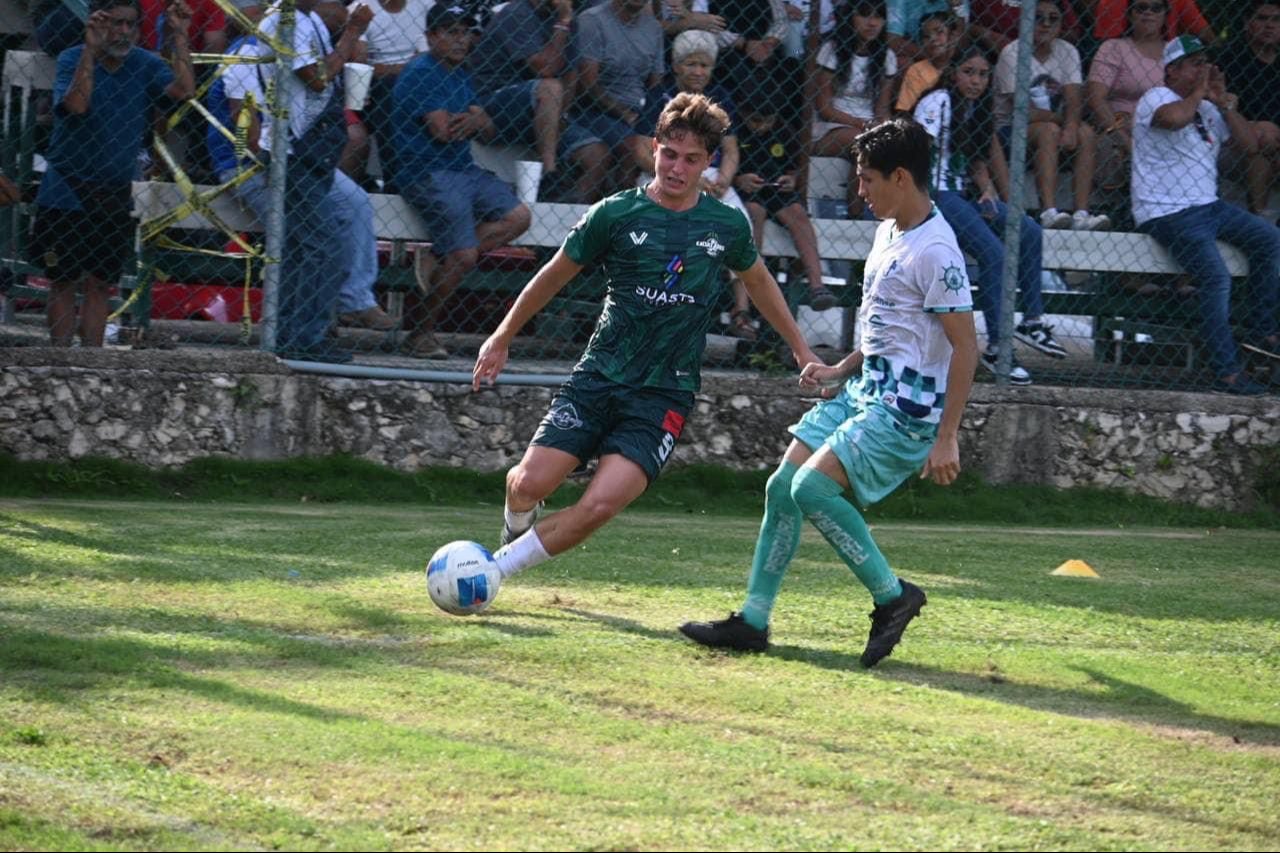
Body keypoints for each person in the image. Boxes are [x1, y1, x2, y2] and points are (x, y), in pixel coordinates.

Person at [471, 92, 820, 583]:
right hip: (598, 377)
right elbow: (553, 275)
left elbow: (759, 282)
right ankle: (515, 531)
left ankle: (493, 572)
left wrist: (800, 348)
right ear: (654, 148)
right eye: (669, 154)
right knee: (527, 484)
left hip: (663, 393)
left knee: (600, 505)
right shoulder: (615, 214)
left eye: (692, 159)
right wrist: (502, 335)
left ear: (708, 162)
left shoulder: (726, 224)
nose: (677, 168)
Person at [679, 118, 978, 669]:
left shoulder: (938, 252)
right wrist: (843, 367)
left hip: (903, 409)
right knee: (782, 487)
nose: (858, 191)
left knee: (812, 490)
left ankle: (894, 597)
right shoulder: (892, 228)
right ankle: (753, 619)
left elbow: (966, 348)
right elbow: (894, 328)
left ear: (902, 177)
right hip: (864, 390)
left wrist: (948, 435)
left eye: (867, 180)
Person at [32, 0, 195, 347]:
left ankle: (92, 358)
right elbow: (76, 105)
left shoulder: (144, 63)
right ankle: (60, 357)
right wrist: (90, 51)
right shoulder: (72, 58)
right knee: (63, 279)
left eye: (130, 25)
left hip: (115, 186)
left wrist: (179, 36)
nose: (123, 33)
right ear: (97, 24)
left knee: (100, 282)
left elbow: (184, 91)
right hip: (67, 185)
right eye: (115, 24)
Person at [1131, 36, 1279, 395]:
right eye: (1194, 64)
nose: (1204, 70)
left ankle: (1264, 332)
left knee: (1270, 240)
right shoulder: (1158, 98)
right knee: (1216, 278)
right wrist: (1198, 94)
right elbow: (1171, 120)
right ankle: (1226, 372)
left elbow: (1250, 146)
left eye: (1205, 63)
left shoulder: (1209, 108)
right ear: (1173, 70)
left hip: (1209, 206)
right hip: (1167, 211)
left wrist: (1225, 104)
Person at [915, 45, 1068, 384]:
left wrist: (986, 190)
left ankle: (1032, 320)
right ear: (954, 73)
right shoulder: (937, 102)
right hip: (936, 194)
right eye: (969, 72)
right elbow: (916, 152)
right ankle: (1000, 346)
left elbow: (976, 158)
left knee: (1028, 231)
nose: (976, 81)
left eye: (983, 74)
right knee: (994, 254)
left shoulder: (978, 107)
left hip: (965, 193)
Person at [392, 4, 532, 359]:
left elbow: (484, 126)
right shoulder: (421, 71)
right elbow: (443, 131)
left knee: (518, 217)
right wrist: (469, 122)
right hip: (426, 171)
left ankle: (438, 258)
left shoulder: (459, 73)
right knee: (464, 255)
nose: (461, 39)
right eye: (451, 32)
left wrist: (469, 122)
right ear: (430, 36)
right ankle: (420, 334)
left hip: (463, 169)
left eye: (466, 32)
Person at [633, 30, 756, 339]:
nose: (698, 72)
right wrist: (689, 177)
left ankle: (740, 313)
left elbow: (729, 150)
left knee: (742, 227)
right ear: (676, 66)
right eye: (691, 64)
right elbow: (639, 149)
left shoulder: (720, 100)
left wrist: (725, 179)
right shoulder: (659, 97)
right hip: (665, 173)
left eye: (704, 65)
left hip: (710, 177)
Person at [469, 0, 610, 202]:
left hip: (544, 109)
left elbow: (571, 74)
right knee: (550, 87)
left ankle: (571, 226)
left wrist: (561, 116)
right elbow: (546, 68)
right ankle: (550, 173)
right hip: (494, 102)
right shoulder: (518, 13)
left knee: (597, 154)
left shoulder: (569, 19)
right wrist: (563, 21)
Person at [993, 0, 1109, 231]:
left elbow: (1074, 99)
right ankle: (1048, 212)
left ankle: (1081, 215)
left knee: (1085, 132)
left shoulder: (1068, 51)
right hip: (1010, 128)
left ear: (1061, 25)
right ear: (1025, 21)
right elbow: (1023, 111)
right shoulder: (1012, 52)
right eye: (1038, 17)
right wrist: (1064, 124)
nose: (1046, 24)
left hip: (1053, 126)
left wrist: (1072, 126)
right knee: (1050, 130)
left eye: (1053, 18)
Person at [736, 82, 841, 312]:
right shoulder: (735, 129)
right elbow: (728, 163)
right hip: (747, 191)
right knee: (754, 213)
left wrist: (791, 179)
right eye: (755, 121)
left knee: (798, 215)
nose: (762, 127)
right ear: (744, 114)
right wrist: (739, 179)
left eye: (767, 121)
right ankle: (751, 289)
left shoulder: (783, 130)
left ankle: (817, 286)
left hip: (776, 188)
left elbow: (794, 168)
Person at [813, 0, 899, 218]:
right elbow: (824, 107)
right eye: (864, 15)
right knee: (865, 144)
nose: (872, 23)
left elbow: (882, 108)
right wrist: (862, 125)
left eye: (878, 16)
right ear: (850, 17)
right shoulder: (831, 50)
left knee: (892, 143)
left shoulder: (886, 56)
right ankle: (857, 216)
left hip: (868, 125)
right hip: (832, 125)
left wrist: (884, 126)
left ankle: (883, 216)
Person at [1085, 0, 1168, 225]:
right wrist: (1122, 135)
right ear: (1130, 15)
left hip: (1164, 129)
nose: (1148, 13)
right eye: (1141, 7)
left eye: (1156, 8)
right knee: (1110, 148)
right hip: (1118, 124)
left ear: (1165, 15)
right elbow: (1096, 98)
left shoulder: (1175, 52)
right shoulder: (1114, 48)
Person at [1217, 1, 1280, 217]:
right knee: (1263, 141)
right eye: (1262, 19)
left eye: (1276, 20)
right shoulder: (1229, 59)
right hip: (1235, 138)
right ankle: (1259, 216)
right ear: (1247, 23)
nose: (1269, 26)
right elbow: (1220, 109)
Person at [894, 11, 960, 115]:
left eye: (939, 32)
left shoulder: (962, 66)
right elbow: (904, 110)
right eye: (926, 36)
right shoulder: (917, 71)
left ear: (952, 36)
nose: (933, 39)